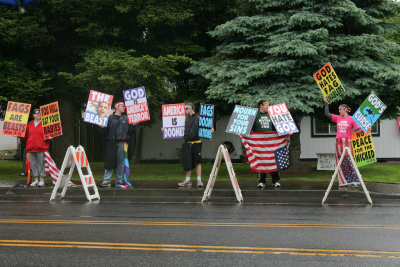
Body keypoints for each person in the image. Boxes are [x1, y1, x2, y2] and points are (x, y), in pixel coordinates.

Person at [162, 103, 213, 187]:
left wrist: (210, 130)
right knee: (187, 161)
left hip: (197, 142)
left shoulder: (199, 118)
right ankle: (188, 180)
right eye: (184, 108)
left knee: (197, 161)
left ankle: (199, 180)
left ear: (192, 108)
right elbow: (174, 126)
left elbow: (207, 127)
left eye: (186, 108)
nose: (185, 110)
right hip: (187, 143)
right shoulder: (184, 119)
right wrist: (165, 129)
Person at [251, 100, 287, 188]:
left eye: (268, 105)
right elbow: (248, 128)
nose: (268, 106)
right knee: (261, 161)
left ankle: (276, 181)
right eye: (266, 105)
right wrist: (240, 133)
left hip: (271, 142)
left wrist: (287, 132)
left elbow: (279, 126)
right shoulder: (254, 115)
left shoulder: (272, 114)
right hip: (259, 143)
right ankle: (262, 181)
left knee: (273, 160)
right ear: (261, 106)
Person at [324, 96, 359, 186]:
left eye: (340, 110)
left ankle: (354, 181)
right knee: (340, 162)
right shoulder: (337, 118)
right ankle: (343, 181)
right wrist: (326, 102)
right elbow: (326, 114)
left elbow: (358, 130)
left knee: (349, 161)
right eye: (339, 110)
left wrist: (367, 129)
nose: (339, 111)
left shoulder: (352, 119)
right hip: (338, 142)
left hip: (348, 142)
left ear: (345, 110)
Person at [99, 102, 135, 187]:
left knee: (121, 163)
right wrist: (101, 127)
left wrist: (133, 126)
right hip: (111, 142)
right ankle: (106, 181)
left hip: (123, 143)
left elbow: (131, 132)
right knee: (109, 161)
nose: (124, 107)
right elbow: (103, 132)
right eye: (122, 106)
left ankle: (119, 180)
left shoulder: (126, 118)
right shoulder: (109, 118)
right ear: (117, 107)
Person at [22, 108, 51, 187]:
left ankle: (42, 180)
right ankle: (36, 180)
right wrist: (18, 135)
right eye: (37, 113)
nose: (39, 115)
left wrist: (48, 137)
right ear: (33, 115)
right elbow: (25, 136)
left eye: (40, 113)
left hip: (41, 148)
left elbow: (50, 136)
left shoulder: (45, 124)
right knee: (33, 164)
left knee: (41, 164)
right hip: (31, 148)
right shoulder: (29, 124)